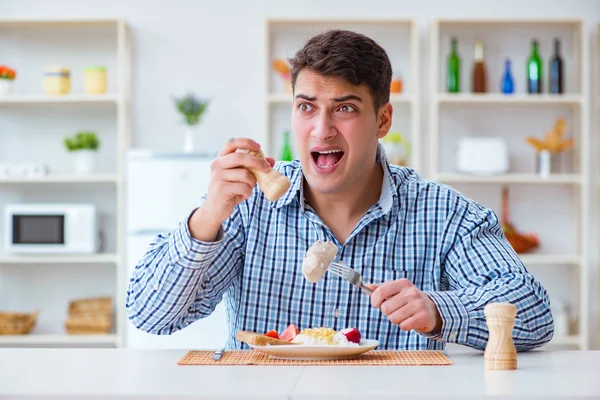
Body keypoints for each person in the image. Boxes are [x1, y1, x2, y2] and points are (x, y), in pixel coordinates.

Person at [126, 29, 554, 351]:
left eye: (345, 108)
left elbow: (534, 315)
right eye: (306, 107)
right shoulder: (246, 206)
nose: (321, 129)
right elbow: (150, 315)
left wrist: (442, 311)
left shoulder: (446, 214)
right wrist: (206, 219)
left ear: (383, 120)